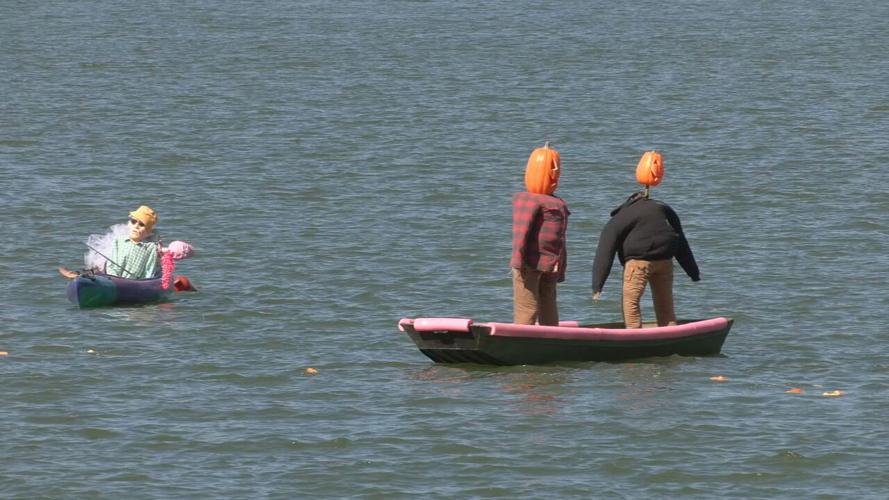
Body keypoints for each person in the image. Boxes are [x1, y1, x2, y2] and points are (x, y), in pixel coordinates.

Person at [591, 151, 700, 328]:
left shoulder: (624, 214)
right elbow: (681, 242)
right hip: (665, 261)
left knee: (631, 302)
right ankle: (669, 333)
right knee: (665, 304)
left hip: (638, 264)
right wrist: (693, 272)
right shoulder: (665, 209)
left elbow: (606, 246)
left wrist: (598, 285)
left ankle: (634, 335)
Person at [510, 142, 570, 326]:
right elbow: (522, 232)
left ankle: (545, 338)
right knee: (532, 306)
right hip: (531, 262)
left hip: (546, 263)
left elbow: (560, 239)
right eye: (551, 169)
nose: (554, 174)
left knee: (544, 304)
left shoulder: (556, 204)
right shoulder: (531, 201)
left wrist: (560, 267)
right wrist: (519, 261)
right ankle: (532, 338)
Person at [58, 205, 162, 280]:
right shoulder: (120, 241)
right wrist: (114, 278)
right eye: (134, 222)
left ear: (148, 232)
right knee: (100, 269)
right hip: (114, 276)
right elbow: (112, 263)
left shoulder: (150, 247)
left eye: (141, 224)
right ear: (129, 224)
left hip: (134, 281)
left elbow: (149, 268)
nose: (136, 226)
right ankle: (79, 275)